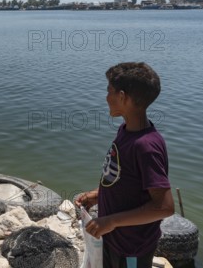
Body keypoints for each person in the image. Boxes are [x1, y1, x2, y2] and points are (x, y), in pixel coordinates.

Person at [75, 62, 174, 268]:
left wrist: (111, 221)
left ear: (122, 97)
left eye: (109, 91)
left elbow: (164, 207)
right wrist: (97, 196)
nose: (106, 97)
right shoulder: (125, 130)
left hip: (132, 247)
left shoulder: (146, 146)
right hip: (113, 238)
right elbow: (124, 179)